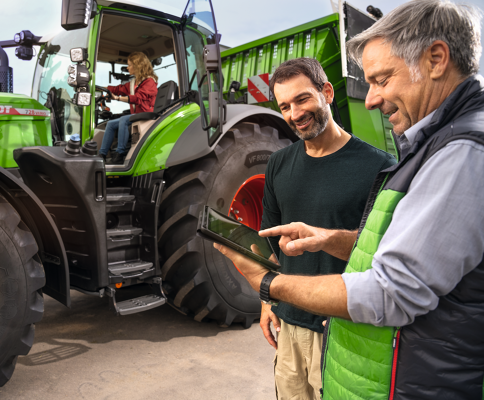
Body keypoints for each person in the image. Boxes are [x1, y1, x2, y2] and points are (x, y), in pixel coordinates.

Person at [215, 1, 484, 399]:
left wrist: (267, 284)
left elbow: (391, 290)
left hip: (348, 330)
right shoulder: (281, 164)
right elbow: (383, 250)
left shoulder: (416, 158)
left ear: (436, 59)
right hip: (303, 326)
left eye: (381, 79)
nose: (371, 98)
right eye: (283, 106)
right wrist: (281, 287)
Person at [259, 58, 395, 400]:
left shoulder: (379, 167)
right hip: (288, 323)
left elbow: (384, 255)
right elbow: (268, 240)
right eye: (285, 106)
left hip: (340, 328)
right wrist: (266, 300)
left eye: (302, 99)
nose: (294, 114)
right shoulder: (278, 163)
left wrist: (329, 240)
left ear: (327, 92)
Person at [100, 52, 158, 164]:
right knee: (110, 124)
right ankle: (102, 154)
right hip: (135, 116)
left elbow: (137, 98)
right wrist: (98, 88)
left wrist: (117, 98)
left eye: (130, 65)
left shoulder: (149, 82)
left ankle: (119, 154)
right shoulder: (133, 83)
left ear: (138, 66)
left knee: (123, 119)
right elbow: (118, 89)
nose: (127, 67)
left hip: (146, 115)